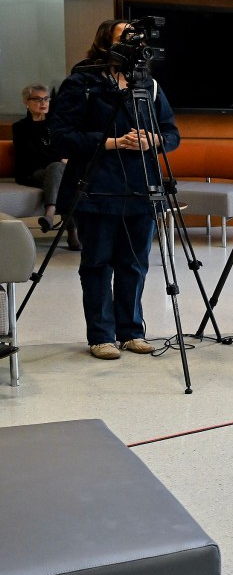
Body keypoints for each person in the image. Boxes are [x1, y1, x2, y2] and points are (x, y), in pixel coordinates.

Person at [50, 18, 180, 360]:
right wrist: (112, 142)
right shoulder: (82, 82)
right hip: (96, 188)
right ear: (107, 43)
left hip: (142, 187)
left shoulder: (147, 85)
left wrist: (154, 140)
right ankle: (101, 336)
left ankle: (131, 332)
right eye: (127, 36)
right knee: (97, 264)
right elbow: (60, 136)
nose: (135, 42)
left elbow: (172, 133)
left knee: (135, 263)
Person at [12, 84, 68, 235]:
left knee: (64, 174)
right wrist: (61, 159)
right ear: (26, 102)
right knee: (58, 168)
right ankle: (53, 214)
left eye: (46, 99)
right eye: (37, 99)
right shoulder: (20, 127)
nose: (43, 103)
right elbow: (32, 154)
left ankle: (53, 217)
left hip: (56, 171)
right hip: (32, 171)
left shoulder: (56, 125)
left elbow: (65, 147)